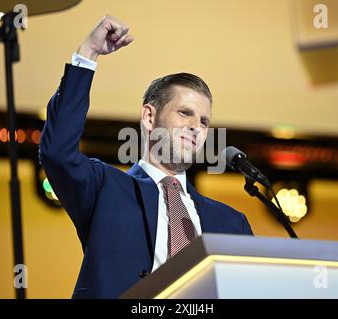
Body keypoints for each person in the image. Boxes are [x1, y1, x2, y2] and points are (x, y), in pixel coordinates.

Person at [39, 15, 253, 299]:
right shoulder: (105, 190)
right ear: (150, 117)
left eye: (204, 121)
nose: (196, 127)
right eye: (184, 113)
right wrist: (88, 53)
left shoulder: (231, 223)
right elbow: (57, 152)